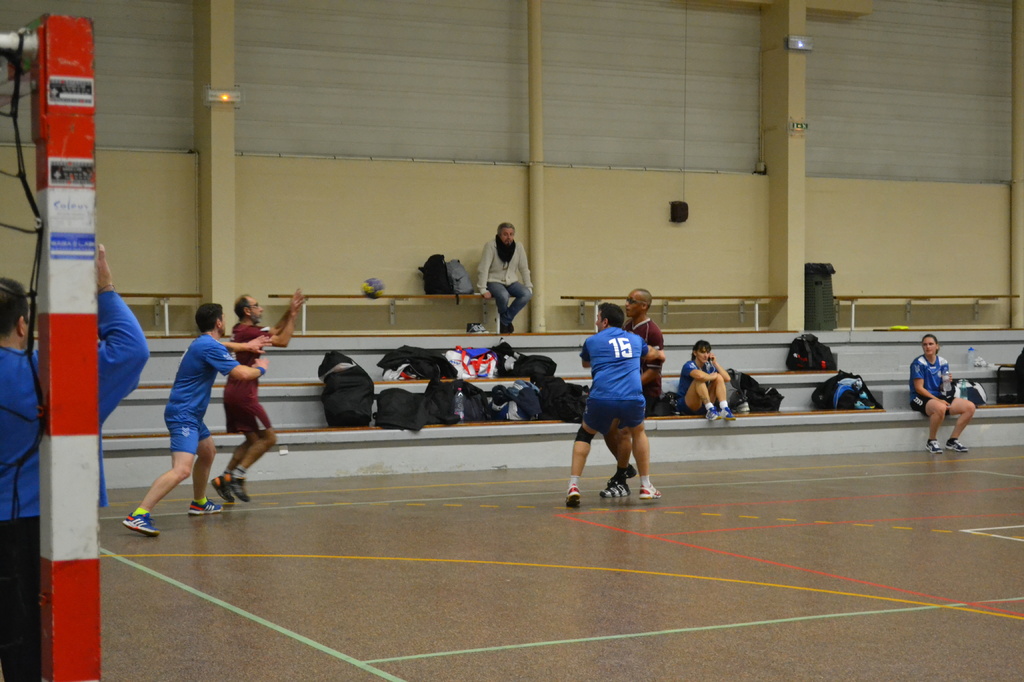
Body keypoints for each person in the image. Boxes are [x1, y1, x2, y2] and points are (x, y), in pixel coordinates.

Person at [0, 245, 148, 681]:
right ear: (23, 324)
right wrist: (105, 288)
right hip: (40, 527)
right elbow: (131, 350)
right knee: (39, 644)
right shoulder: (49, 375)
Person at [123, 303, 269, 536]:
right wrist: (261, 368)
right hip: (184, 415)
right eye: (223, 318)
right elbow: (242, 374)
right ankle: (139, 514)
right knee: (181, 470)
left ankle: (199, 502)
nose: (225, 322)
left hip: (191, 414)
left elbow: (223, 346)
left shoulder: (203, 342)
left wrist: (246, 345)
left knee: (208, 452)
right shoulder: (210, 347)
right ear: (219, 322)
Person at [565, 302, 666, 508]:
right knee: (638, 431)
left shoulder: (592, 341)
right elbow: (653, 354)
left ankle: (573, 486)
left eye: (597, 319)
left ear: (605, 322)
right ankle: (645, 485)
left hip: (602, 396)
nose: (596, 322)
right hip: (632, 396)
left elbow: (586, 363)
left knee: (585, 433)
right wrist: (659, 354)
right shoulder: (635, 339)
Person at [211, 290, 304, 503]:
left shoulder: (242, 329)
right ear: (247, 311)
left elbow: (275, 329)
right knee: (269, 438)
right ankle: (238, 476)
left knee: (252, 440)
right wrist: (293, 316)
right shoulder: (248, 332)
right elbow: (283, 340)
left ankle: (224, 478)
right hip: (244, 394)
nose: (260, 309)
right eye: (257, 306)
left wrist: (290, 311)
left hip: (233, 392)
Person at [600, 288, 665, 498]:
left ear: (644, 306)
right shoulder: (626, 328)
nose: (626, 304)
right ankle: (626, 468)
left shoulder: (652, 332)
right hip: (624, 390)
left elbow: (653, 371)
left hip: (643, 392)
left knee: (626, 432)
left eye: (631, 300)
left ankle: (630, 480)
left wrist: (630, 384)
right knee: (608, 428)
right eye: (626, 299)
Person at [909, 333, 974, 454]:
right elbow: (919, 389)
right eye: (925, 344)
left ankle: (953, 440)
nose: (928, 347)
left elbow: (944, 388)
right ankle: (931, 441)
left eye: (931, 344)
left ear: (937, 346)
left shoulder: (943, 362)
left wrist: (947, 382)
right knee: (940, 407)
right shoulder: (918, 363)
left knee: (969, 407)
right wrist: (938, 400)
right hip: (920, 397)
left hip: (937, 396)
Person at [477, 222, 533, 334]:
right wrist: (482, 288)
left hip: (512, 281)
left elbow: (524, 268)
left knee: (526, 294)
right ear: (499, 235)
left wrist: (528, 285)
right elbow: (484, 268)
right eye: (505, 234)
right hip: (494, 280)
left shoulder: (518, 247)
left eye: (511, 234)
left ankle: (504, 320)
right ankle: (506, 322)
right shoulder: (491, 246)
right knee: (503, 295)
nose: (509, 237)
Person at [678, 339, 736, 421]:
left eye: (708, 352)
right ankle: (710, 409)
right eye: (702, 352)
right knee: (699, 380)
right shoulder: (689, 365)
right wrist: (712, 376)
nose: (705, 355)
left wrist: (715, 363)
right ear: (695, 353)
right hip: (688, 405)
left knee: (719, 377)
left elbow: (727, 378)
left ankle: (724, 408)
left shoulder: (708, 366)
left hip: (703, 404)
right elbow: (699, 376)